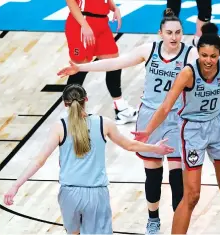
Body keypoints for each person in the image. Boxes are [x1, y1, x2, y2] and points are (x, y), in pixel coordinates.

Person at [57, 9, 198, 234]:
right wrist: (82, 67)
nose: (174, 37)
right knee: (153, 172)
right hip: (150, 115)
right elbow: (115, 63)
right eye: (169, 32)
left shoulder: (191, 55)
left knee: (176, 176)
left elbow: (215, 76)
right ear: (160, 33)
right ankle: (153, 220)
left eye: (178, 32)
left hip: (177, 117)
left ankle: (178, 225)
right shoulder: (149, 50)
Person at [3, 84, 175, 235]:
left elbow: (39, 161)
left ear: (65, 104)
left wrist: (15, 185)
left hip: (69, 194)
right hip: (96, 194)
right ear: (86, 99)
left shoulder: (59, 127)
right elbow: (130, 145)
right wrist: (155, 148)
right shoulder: (103, 123)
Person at [133, 23, 220, 234]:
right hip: (193, 130)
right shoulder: (187, 73)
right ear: (198, 54)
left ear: (219, 55)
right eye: (204, 55)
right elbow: (166, 106)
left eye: (213, 56)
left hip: (218, 126)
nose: (208, 60)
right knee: (192, 195)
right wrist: (148, 131)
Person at [65, 0, 138, 125]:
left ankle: (121, 110)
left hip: (102, 23)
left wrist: (114, 7)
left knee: (114, 63)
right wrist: (84, 25)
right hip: (83, 22)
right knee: (79, 68)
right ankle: (71, 114)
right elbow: (71, 2)